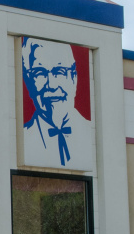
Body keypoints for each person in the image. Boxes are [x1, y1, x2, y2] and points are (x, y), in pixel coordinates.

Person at [21, 37, 93, 170]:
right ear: (28, 82)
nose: (51, 85)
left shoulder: (91, 135)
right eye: (39, 73)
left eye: (59, 72)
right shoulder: (24, 139)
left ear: (73, 79)